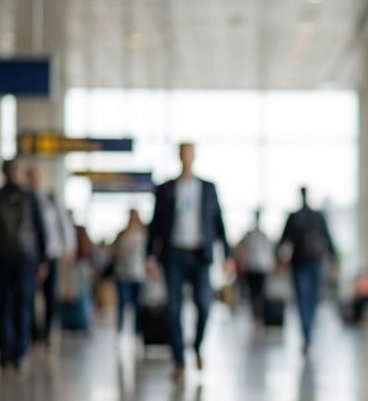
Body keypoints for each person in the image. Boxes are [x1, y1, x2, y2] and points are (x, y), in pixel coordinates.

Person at [147, 142, 231, 380]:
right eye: (182, 152)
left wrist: (227, 255)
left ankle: (197, 345)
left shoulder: (208, 188)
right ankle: (179, 361)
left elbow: (218, 222)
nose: (186, 156)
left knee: (204, 305)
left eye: (189, 152)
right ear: (178, 156)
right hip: (173, 254)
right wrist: (150, 256)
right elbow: (155, 225)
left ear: (194, 156)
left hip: (200, 254)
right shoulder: (166, 189)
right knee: (173, 309)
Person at [0, 158, 49, 371]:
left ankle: (5, 352)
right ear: (18, 173)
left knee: (2, 306)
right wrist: (43, 260)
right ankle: (20, 353)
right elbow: (41, 231)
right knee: (23, 306)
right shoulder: (30, 197)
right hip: (26, 259)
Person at [278, 186, 337, 353]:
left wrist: (279, 260)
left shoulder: (294, 217)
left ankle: (307, 335)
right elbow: (327, 238)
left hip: (300, 262)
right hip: (314, 262)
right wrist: (333, 260)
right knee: (311, 299)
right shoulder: (317, 216)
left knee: (303, 299)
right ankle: (308, 334)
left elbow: (284, 240)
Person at [26, 164, 75, 345]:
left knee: (50, 295)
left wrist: (68, 247)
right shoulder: (25, 200)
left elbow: (64, 225)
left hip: (52, 253)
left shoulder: (51, 199)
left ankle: (47, 331)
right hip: (32, 255)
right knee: (30, 295)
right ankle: (33, 332)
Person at [234, 209, 275, 319]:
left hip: (261, 268)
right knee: (253, 292)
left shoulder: (263, 236)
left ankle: (259, 314)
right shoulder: (249, 235)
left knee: (260, 293)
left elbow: (268, 252)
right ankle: (255, 314)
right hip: (251, 267)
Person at [111, 209, 147, 335]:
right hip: (123, 274)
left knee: (138, 306)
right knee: (122, 305)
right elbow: (114, 253)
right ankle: (120, 332)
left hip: (139, 275)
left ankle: (137, 333)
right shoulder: (122, 235)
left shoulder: (144, 235)